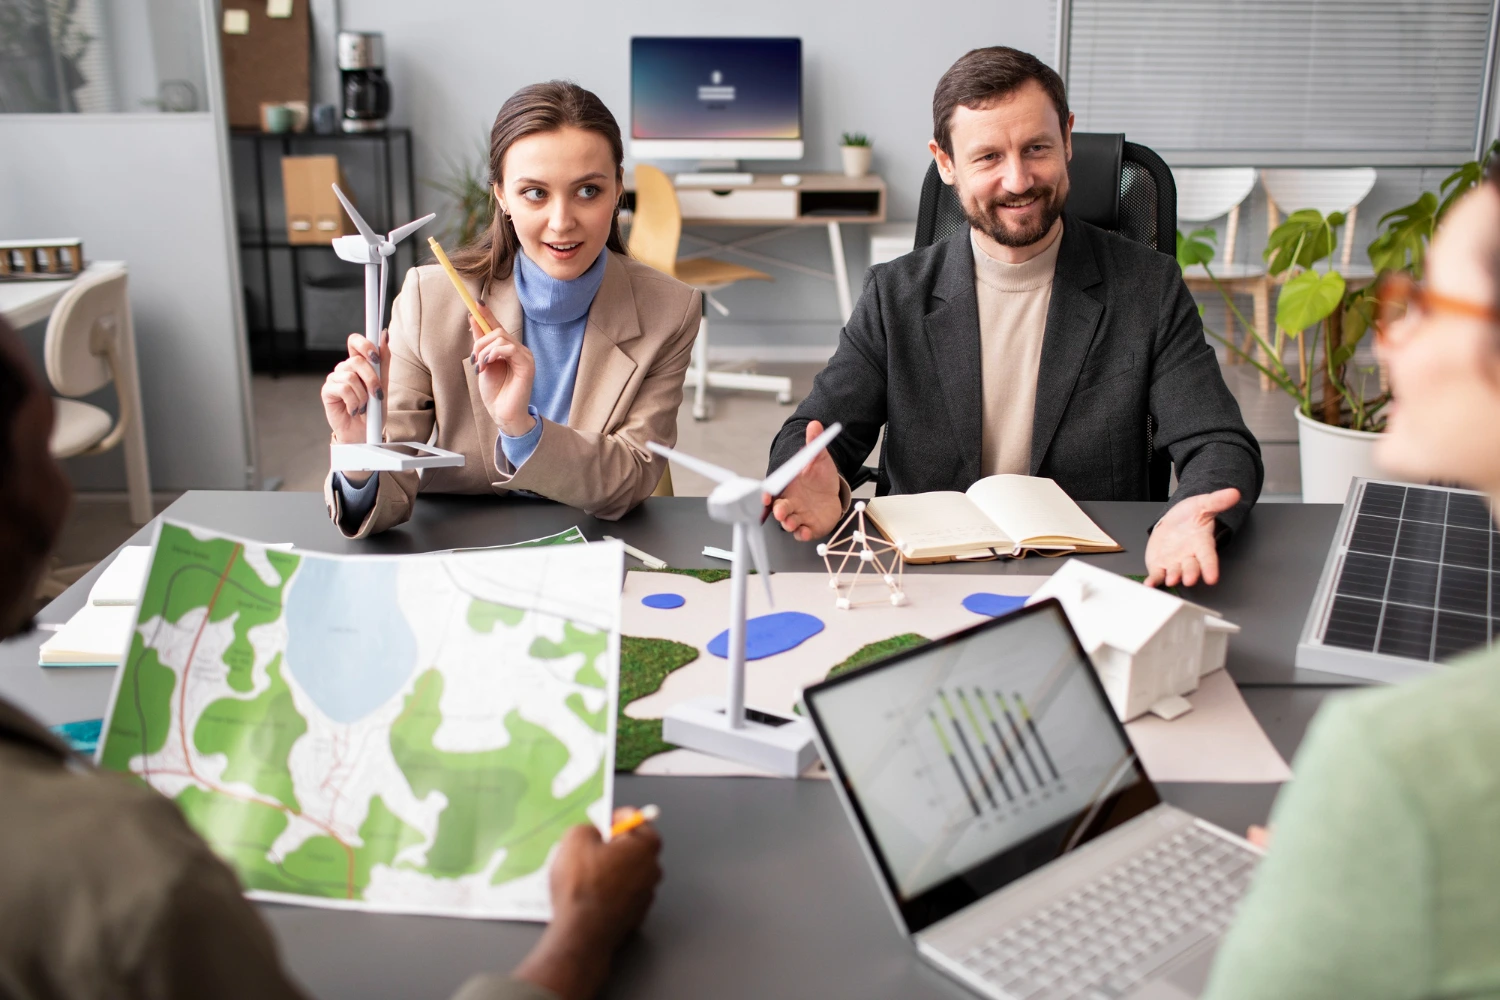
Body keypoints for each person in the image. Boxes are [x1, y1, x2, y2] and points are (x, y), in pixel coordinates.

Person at [0, 315, 664, 999]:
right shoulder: (129, 882)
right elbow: (391, 469)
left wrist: (521, 427)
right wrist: (582, 937)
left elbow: (632, 475)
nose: (68, 493)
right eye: (45, 454)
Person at [766, 47, 1262, 587]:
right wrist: (811, 479)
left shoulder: (1148, 287)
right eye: (988, 158)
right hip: (923, 580)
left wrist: (1193, 512)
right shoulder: (895, 294)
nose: (1019, 180)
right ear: (946, 162)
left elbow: (1218, 443)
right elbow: (812, 436)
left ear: (1068, 139)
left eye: (1037, 148)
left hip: (1095, 576)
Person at [1202, 168, 1500, 997]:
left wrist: (1331, 885)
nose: (1387, 339)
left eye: (1431, 305)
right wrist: (1344, 887)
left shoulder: (1398, 765)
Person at [322, 81, 700, 539]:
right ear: (501, 194)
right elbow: (390, 496)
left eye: (587, 191)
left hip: (595, 544)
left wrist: (521, 429)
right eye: (535, 194)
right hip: (461, 546)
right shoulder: (429, 300)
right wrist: (359, 450)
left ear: (618, 188)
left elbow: (632, 477)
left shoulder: (671, 311)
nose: (562, 222)